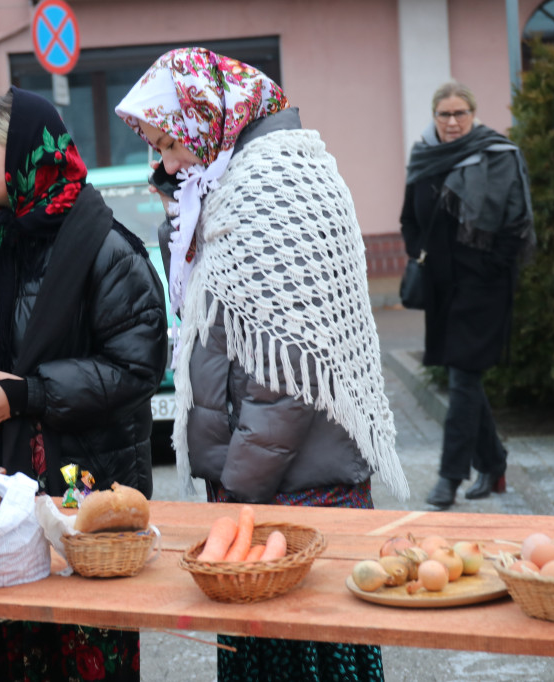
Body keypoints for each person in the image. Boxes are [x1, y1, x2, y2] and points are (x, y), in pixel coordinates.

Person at [116, 47, 409, 682]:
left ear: (205, 121)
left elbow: (288, 376)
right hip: (272, 489)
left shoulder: (273, 190)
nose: (165, 162)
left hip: (298, 493)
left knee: (308, 661)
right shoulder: (234, 183)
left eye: (169, 143)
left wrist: (238, 488)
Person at [0, 86, 167, 682]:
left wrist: (26, 395)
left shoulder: (104, 248)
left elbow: (137, 367)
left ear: (25, 154)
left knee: (81, 653)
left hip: (81, 508)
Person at [400, 81, 535, 509]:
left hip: (484, 286)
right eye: (445, 114)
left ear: (473, 114)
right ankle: (493, 463)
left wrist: (492, 268)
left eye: (461, 113)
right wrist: (418, 254)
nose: (453, 122)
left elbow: (515, 223)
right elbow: (408, 218)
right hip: (441, 286)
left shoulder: (498, 155)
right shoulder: (423, 155)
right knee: (466, 378)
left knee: (462, 377)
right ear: (434, 116)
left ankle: (449, 478)